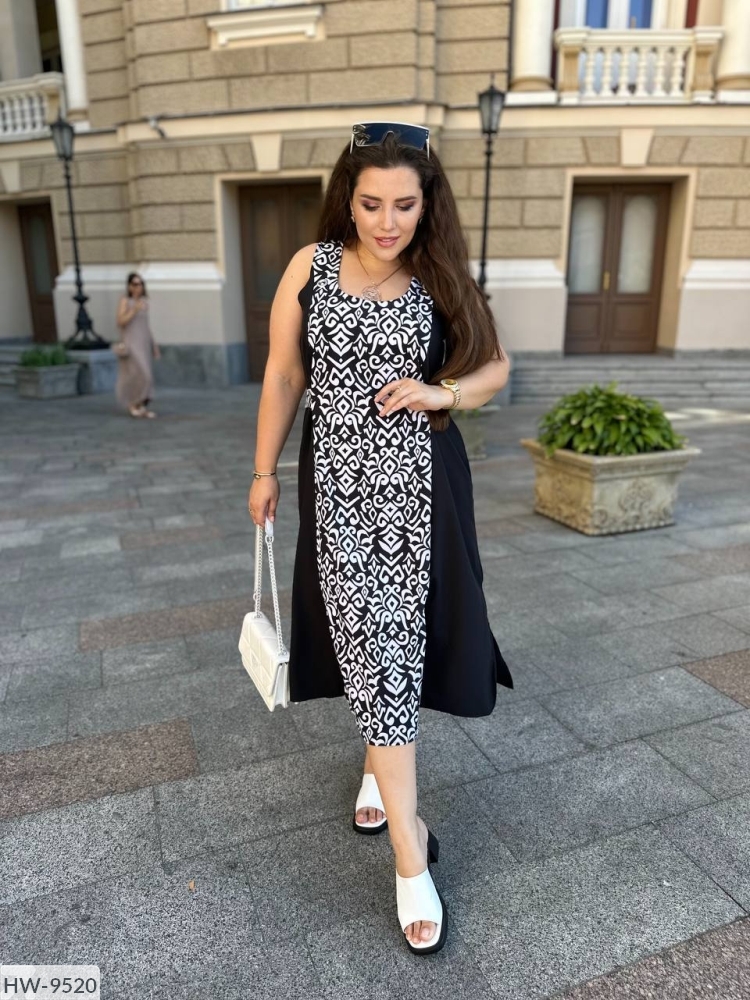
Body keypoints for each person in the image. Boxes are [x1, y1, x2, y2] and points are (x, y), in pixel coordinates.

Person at [247, 121, 513, 955]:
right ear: (348, 199)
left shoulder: (440, 274)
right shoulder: (311, 266)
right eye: (371, 204)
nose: (387, 221)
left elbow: (497, 366)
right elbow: (285, 373)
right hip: (337, 495)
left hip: (422, 497)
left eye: (404, 204)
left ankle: (406, 846)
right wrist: (262, 471)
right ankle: (398, 811)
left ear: (427, 203)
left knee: (391, 647)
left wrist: (444, 394)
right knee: (368, 642)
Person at [115, 272, 160, 418]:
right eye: (135, 284)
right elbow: (120, 321)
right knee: (141, 374)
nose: (138, 287)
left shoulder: (144, 302)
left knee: (145, 376)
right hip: (131, 343)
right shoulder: (125, 301)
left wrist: (154, 345)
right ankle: (132, 404)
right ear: (129, 286)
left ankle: (141, 406)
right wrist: (134, 310)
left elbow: (146, 326)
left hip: (143, 342)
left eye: (140, 284)